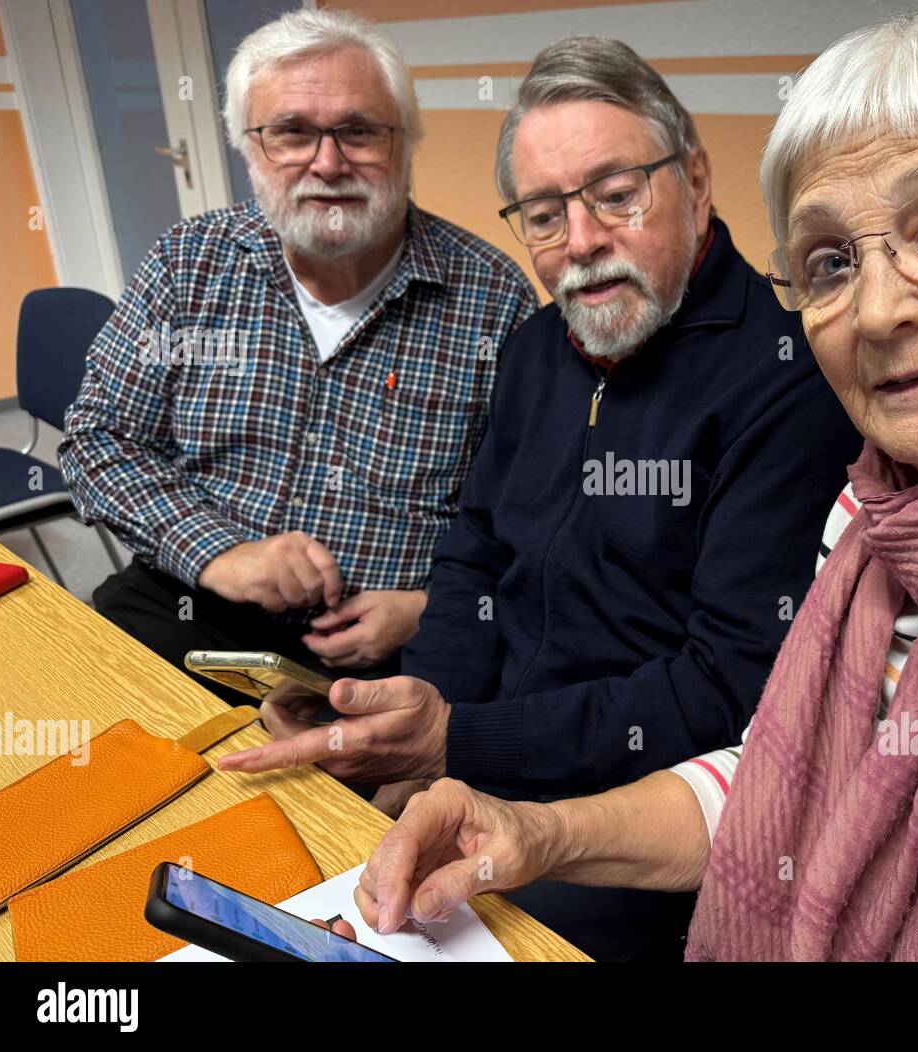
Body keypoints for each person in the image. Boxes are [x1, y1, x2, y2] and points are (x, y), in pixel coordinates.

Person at [339, 5, 918, 962]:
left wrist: (467, 743)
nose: (876, 311)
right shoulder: (887, 502)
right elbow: (784, 777)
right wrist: (541, 834)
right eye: (831, 260)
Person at [219, 36, 860, 959]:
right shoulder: (533, 349)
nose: (584, 242)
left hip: (629, 821)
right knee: (258, 846)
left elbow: (729, 690)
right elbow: (473, 553)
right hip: (480, 756)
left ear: (696, 180)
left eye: (616, 194)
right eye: (546, 215)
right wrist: (411, 709)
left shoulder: (787, 383)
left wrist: (461, 743)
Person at [58, 9, 537, 705]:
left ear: (405, 142)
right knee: (75, 759)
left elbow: (542, 525)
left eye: (359, 130)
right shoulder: (187, 264)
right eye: (291, 132)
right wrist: (217, 552)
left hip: (389, 653)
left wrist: (428, 607)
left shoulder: (496, 301)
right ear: (250, 149)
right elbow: (99, 437)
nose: (328, 162)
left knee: (343, 812)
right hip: (188, 600)